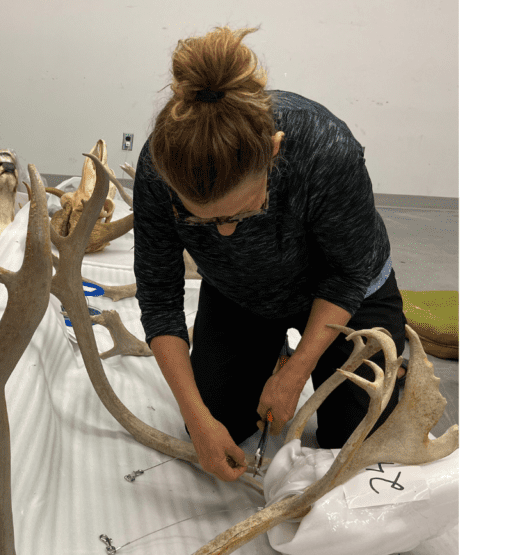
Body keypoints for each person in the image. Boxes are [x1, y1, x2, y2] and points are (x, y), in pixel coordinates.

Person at [133, 25, 407, 482]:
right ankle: (270, 349)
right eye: (201, 220)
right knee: (217, 421)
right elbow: (160, 298)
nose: (223, 234)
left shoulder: (325, 147)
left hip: (344, 291)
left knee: (357, 438)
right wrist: (196, 418)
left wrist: (296, 371)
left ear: (274, 152)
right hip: (242, 292)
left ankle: (385, 352)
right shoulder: (160, 169)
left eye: (243, 213)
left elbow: (346, 274)